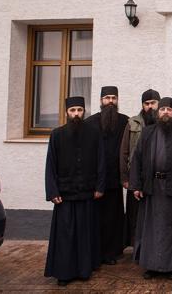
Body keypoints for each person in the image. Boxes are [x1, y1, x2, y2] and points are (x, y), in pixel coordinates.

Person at [130, 97, 172, 280]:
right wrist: (136, 185)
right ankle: (151, 266)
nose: (166, 112)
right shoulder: (148, 132)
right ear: (158, 112)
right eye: (163, 109)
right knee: (151, 228)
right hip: (152, 187)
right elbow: (137, 160)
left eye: (170, 109)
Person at [44, 97, 105, 286]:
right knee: (65, 235)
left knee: (85, 234)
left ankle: (84, 270)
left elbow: (101, 162)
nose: (76, 114)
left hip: (87, 193)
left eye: (79, 110)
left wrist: (99, 187)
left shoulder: (94, 133)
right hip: (65, 195)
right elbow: (50, 165)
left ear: (84, 111)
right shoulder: (57, 135)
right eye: (73, 110)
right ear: (66, 113)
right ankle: (64, 273)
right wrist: (52, 191)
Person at [85, 86, 129, 265]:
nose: (110, 101)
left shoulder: (125, 121)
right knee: (96, 218)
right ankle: (96, 251)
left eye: (113, 98)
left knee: (113, 217)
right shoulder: (90, 123)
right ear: (101, 100)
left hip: (115, 179)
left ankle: (112, 252)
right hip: (95, 180)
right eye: (107, 98)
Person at [120, 88, 160, 249]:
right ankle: (138, 248)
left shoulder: (165, 122)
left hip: (157, 179)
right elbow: (124, 151)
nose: (150, 107)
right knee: (136, 217)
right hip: (136, 176)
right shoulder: (132, 123)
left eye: (153, 103)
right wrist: (125, 178)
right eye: (147, 103)